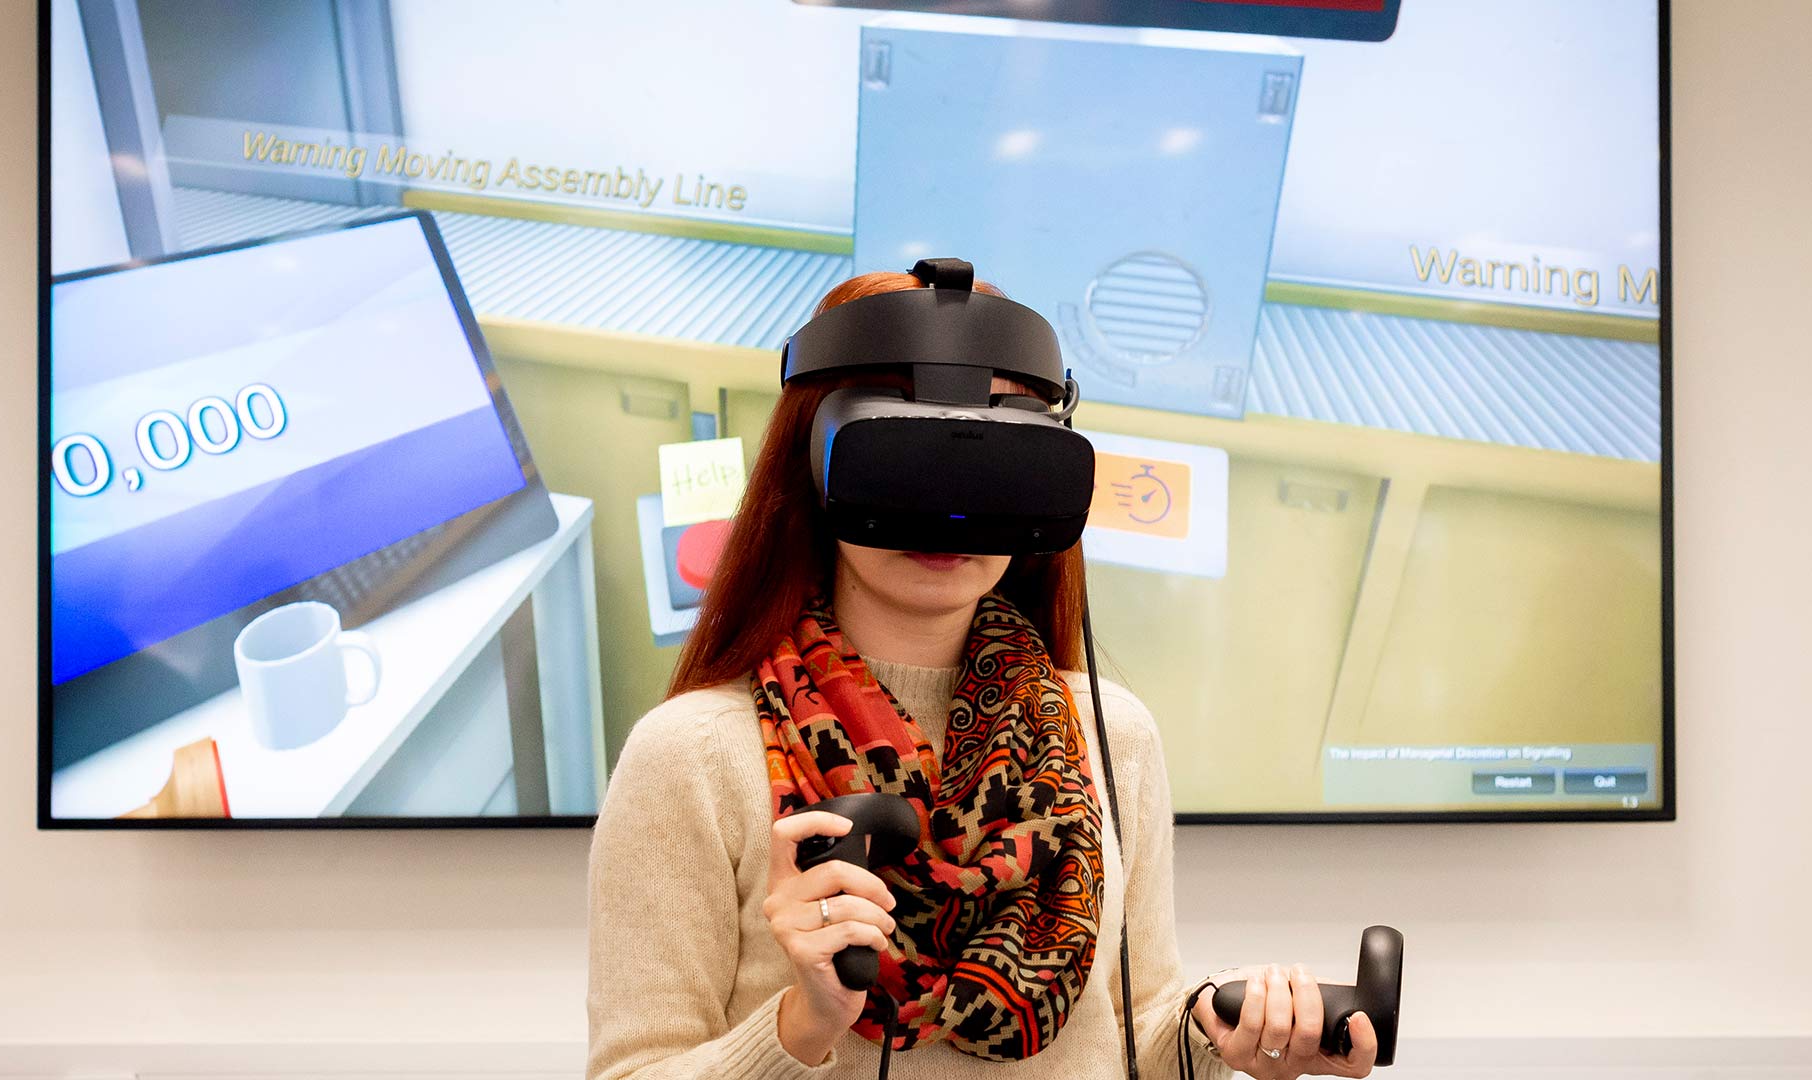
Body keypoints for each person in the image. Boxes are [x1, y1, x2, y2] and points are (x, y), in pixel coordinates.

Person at [586, 270, 1381, 1079]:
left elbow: (1134, 1029)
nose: (947, 502)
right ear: (816, 466)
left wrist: (1225, 1036)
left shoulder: (1110, 733)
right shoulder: (693, 754)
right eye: (905, 447)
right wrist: (803, 1022)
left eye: (990, 457)